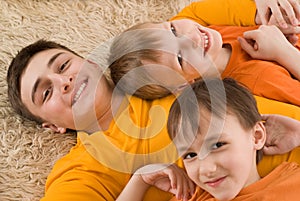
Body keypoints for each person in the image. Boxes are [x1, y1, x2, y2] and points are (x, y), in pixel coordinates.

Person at [6, 0, 300, 200]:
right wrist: (139, 181)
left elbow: (212, 18)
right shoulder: (82, 170)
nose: (64, 81)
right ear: (51, 126)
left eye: (63, 66)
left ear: (90, 62)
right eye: (46, 92)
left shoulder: (159, 46)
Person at [116, 78, 300, 201]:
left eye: (218, 145)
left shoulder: (292, 183)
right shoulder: (193, 197)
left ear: (257, 136)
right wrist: (140, 179)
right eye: (190, 155)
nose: (206, 169)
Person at [108, 2, 300, 107]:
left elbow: (193, 12)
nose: (192, 37)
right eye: (180, 58)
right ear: (183, 86)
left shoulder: (209, 28)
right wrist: (284, 52)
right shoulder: (258, 80)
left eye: (173, 30)